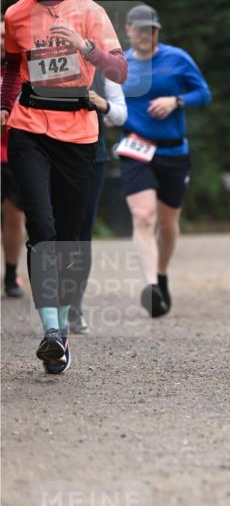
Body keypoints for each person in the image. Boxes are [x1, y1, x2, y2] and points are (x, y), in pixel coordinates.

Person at [0, 0, 127, 374]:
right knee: (42, 225)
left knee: (71, 237)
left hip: (78, 131)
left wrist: (83, 46)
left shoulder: (91, 12)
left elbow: (119, 69)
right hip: (29, 128)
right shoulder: (16, 14)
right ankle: (51, 331)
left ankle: (63, 326)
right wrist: (4, 106)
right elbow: (14, 67)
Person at [119, 4, 211, 318]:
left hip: (173, 151)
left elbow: (204, 94)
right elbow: (109, 101)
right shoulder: (119, 65)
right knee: (144, 217)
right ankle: (150, 288)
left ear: (158, 31)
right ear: (128, 30)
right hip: (135, 148)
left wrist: (177, 101)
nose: (146, 34)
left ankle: (160, 273)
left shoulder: (177, 59)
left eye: (151, 29)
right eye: (140, 29)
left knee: (168, 223)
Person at [68, 69, 127, 334]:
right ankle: (50, 306)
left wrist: (103, 104)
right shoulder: (42, 55)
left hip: (92, 155)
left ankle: (73, 307)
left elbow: (120, 114)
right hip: (46, 152)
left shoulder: (102, 68)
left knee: (81, 233)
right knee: (49, 228)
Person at [1, 14, 26, 297]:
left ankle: (10, 275)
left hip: (14, 152)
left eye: (3, 36)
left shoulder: (22, 70)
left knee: (14, 214)